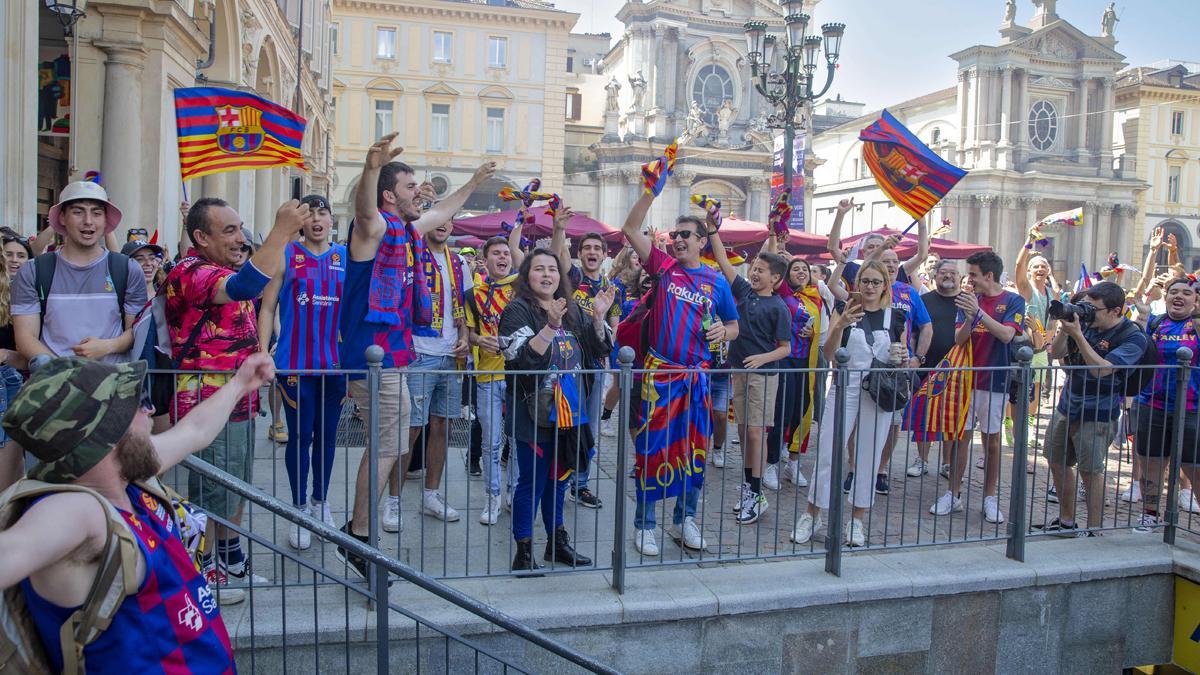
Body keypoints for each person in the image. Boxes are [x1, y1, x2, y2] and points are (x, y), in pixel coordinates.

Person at [0, 352, 276, 670]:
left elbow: (195, 431)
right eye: (138, 402)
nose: (150, 410)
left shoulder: (126, 476)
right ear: (104, 436)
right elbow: (14, 550)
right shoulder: (78, 511)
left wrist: (241, 382)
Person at [335, 133, 494, 580]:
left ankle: (360, 533)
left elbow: (443, 211)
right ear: (390, 194)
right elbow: (365, 210)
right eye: (409, 189)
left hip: (390, 358)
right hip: (371, 358)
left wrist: (474, 180)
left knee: (393, 441)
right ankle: (360, 537)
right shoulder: (374, 230)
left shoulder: (406, 231)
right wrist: (370, 167)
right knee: (388, 444)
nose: (419, 194)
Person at [163, 196, 308, 592]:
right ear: (200, 237)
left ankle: (231, 562)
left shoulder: (221, 266)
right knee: (212, 492)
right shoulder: (191, 271)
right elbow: (246, 285)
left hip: (238, 401)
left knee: (235, 486)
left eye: (240, 227)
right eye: (229, 230)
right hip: (206, 405)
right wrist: (280, 230)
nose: (241, 238)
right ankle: (204, 575)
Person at [620, 187, 739, 557]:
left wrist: (724, 331)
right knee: (652, 451)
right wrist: (650, 193)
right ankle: (645, 524)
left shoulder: (717, 282)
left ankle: (684, 519)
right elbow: (630, 228)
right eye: (674, 235)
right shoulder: (664, 267)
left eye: (686, 234)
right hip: (660, 378)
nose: (677, 240)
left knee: (694, 451)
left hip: (697, 380)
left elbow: (734, 326)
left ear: (703, 241)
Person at [498, 248, 613, 571]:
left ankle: (556, 543)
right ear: (527, 276)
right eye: (539, 269)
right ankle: (523, 551)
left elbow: (597, 349)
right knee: (532, 481)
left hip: (569, 412)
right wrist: (549, 327)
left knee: (559, 479)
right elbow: (519, 361)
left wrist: (599, 319)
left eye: (552, 269)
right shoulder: (516, 310)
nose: (547, 275)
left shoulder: (572, 308)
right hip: (532, 412)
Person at [790, 261, 907, 547]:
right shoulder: (844, 310)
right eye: (864, 281)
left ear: (884, 286)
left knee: (868, 455)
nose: (869, 287)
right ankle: (812, 513)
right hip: (845, 388)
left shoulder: (896, 317)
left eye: (875, 282)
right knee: (828, 451)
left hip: (878, 394)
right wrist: (839, 326)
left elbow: (902, 357)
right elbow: (829, 354)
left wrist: (903, 355)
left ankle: (857, 520)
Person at [257, 194, 346, 550]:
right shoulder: (286, 256)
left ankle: (320, 503)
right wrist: (263, 353)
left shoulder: (344, 259)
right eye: (309, 214)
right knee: (299, 438)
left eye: (322, 212)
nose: (316, 220)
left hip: (335, 368)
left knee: (326, 437)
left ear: (331, 219)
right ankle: (298, 510)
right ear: (301, 222)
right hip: (294, 366)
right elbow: (266, 309)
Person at [1042, 281, 1148, 535]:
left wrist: (1078, 334)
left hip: (1098, 412)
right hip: (1068, 404)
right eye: (1084, 307)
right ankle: (1066, 521)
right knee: (1057, 460)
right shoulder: (1086, 325)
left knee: (1091, 471)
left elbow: (1102, 369)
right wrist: (1066, 330)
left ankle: (1095, 529)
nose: (1086, 313)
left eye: (1093, 308)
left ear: (1116, 311)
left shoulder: (1132, 337)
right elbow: (1056, 354)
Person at [927, 251, 1024, 523]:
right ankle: (953, 494)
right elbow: (959, 339)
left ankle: (989, 497)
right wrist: (970, 316)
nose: (968, 280)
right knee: (960, 438)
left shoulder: (1013, 301)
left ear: (988, 276)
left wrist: (978, 313)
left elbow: (1006, 335)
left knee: (991, 441)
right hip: (965, 379)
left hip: (994, 379)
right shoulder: (968, 301)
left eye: (973, 274)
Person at [13, 181, 148, 365]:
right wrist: (65, 372)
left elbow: (136, 331)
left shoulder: (127, 269)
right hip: (54, 387)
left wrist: (108, 346)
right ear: (62, 217)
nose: (88, 221)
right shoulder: (34, 270)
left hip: (112, 386)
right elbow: (25, 338)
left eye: (97, 213)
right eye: (78, 212)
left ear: (106, 219)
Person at [708, 227, 791, 525]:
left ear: (776, 279)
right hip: (739, 372)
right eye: (754, 268)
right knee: (744, 433)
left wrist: (762, 358)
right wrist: (712, 231)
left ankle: (755, 493)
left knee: (756, 433)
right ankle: (750, 488)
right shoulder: (742, 291)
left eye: (762, 271)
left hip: (764, 375)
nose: (755, 273)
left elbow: (785, 348)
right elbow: (723, 262)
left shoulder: (779, 307)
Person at [400, 208, 472, 524]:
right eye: (436, 219)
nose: (442, 225)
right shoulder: (412, 255)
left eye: (447, 220)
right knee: (412, 427)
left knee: (443, 426)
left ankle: (431, 494)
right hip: (420, 352)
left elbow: (467, 311)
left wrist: (466, 338)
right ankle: (393, 499)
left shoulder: (459, 262)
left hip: (451, 355)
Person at [552, 225, 619, 510]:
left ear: (605, 255)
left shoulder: (612, 289)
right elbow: (559, 255)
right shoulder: (572, 278)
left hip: (594, 367)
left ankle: (580, 484)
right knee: (564, 424)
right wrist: (558, 228)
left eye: (597, 249)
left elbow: (615, 328)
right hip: (567, 364)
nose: (592, 252)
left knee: (588, 428)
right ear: (579, 254)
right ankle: (559, 478)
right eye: (586, 248)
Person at [1133, 277, 1200, 531]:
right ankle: (1150, 513)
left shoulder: (1196, 325)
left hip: (1192, 408)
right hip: (1152, 403)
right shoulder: (1156, 323)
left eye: (1186, 293)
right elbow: (1137, 348)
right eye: (1173, 292)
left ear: (1195, 300)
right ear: (1166, 296)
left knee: (1195, 466)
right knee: (1150, 462)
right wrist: (1142, 318)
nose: (1179, 297)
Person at [465, 235, 521, 525]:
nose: (502, 257)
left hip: (517, 376)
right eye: (495, 253)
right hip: (486, 374)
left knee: (515, 439)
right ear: (484, 260)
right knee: (491, 441)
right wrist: (479, 341)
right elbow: (469, 334)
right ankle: (491, 496)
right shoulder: (473, 293)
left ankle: (512, 492)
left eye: (506, 253)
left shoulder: (520, 287)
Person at [868, 247, 932, 494]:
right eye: (886, 261)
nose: (893, 265)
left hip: (897, 367)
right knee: (863, 420)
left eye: (896, 261)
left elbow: (926, 326)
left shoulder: (909, 293)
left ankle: (881, 469)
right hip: (869, 363)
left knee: (894, 422)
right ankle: (857, 468)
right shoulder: (868, 288)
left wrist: (918, 358)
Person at [905, 259, 962, 477]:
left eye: (953, 273)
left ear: (960, 277)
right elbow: (913, 332)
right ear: (935, 275)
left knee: (951, 416)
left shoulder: (967, 301)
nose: (948, 276)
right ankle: (922, 459)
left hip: (957, 368)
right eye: (944, 272)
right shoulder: (924, 300)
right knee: (923, 415)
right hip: (926, 364)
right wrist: (915, 357)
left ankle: (947, 463)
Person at [121, 238, 171, 432]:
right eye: (139, 259)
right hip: (132, 375)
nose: (148, 263)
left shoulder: (166, 293)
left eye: (152, 257)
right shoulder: (119, 298)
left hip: (161, 375)